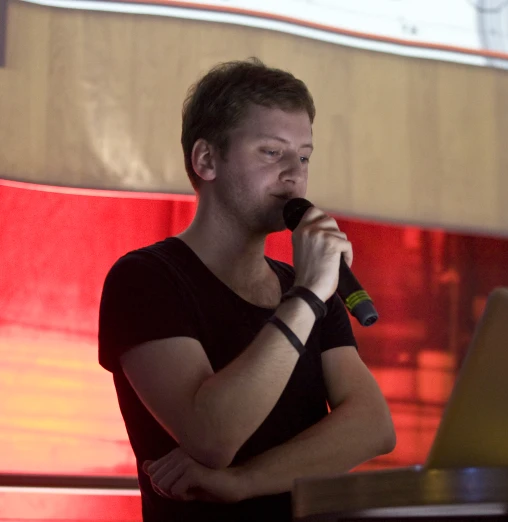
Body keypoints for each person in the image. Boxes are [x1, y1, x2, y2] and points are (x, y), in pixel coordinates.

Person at [98, 58, 396, 521]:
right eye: (272, 152)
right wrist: (309, 297)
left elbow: (373, 426)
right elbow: (212, 436)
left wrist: (245, 481)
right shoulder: (144, 279)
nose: (295, 173)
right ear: (206, 160)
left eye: (304, 156)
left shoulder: (307, 286)